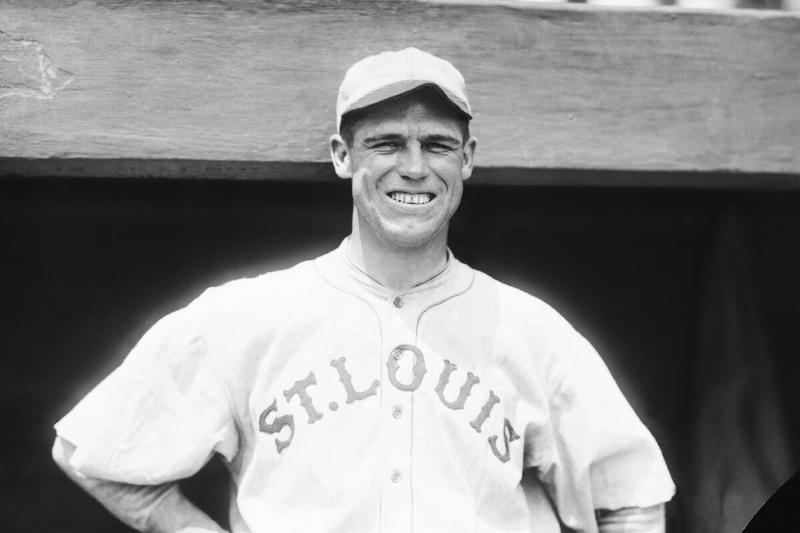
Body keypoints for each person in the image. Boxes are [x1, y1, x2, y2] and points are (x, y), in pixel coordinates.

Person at [52, 47, 675, 533]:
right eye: (385, 143)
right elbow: (97, 454)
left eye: (437, 145)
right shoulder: (246, 316)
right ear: (341, 155)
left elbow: (630, 499)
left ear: (468, 159)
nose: (414, 166)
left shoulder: (531, 330)